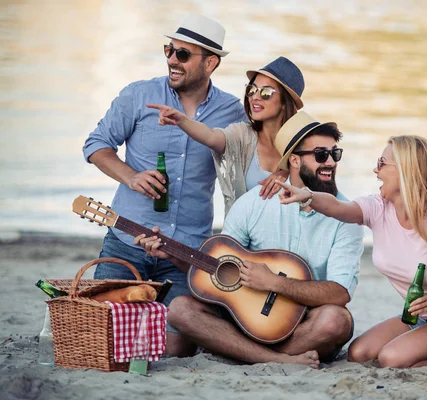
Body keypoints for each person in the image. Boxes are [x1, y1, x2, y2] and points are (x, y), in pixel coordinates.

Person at [135, 111, 364, 366]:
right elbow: (218, 269)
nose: (331, 162)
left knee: (337, 320)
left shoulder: (347, 215)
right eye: (322, 155)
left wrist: (274, 283)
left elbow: (340, 294)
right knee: (179, 309)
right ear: (295, 161)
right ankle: (275, 359)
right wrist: (172, 255)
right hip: (246, 316)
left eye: (335, 154)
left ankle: (241, 351)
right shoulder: (255, 202)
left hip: (305, 323)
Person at [81, 15, 246, 342]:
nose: (172, 59)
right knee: (101, 338)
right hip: (127, 243)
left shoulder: (232, 111)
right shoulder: (138, 95)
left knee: (176, 346)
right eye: (169, 50)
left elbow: (254, 155)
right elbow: (96, 145)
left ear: (210, 62)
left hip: (187, 255)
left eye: (183, 55)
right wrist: (131, 177)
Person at [277, 135, 427, 368]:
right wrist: (307, 196)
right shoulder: (378, 208)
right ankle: (425, 349)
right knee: (359, 353)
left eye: (381, 163)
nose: (375, 170)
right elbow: (338, 207)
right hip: (417, 317)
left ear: (405, 170)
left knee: (391, 358)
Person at [147, 56, 305, 214]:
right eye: (252, 89)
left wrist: (287, 170)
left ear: (285, 102)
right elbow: (210, 136)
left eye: (265, 92)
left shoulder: (306, 143)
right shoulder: (241, 134)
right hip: (241, 237)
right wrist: (181, 120)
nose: (255, 97)